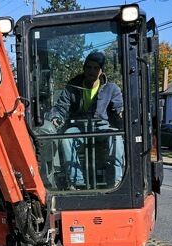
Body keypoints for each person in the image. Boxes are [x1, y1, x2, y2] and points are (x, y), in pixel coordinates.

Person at [51, 51, 124, 188]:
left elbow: (119, 107)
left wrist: (121, 113)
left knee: (116, 137)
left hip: (102, 128)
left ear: (101, 71)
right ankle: (77, 181)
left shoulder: (112, 89)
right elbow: (61, 106)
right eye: (89, 67)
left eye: (96, 68)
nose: (92, 71)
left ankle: (115, 179)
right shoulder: (72, 86)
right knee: (66, 138)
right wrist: (56, 117)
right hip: (79, 127)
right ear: (84, 68)